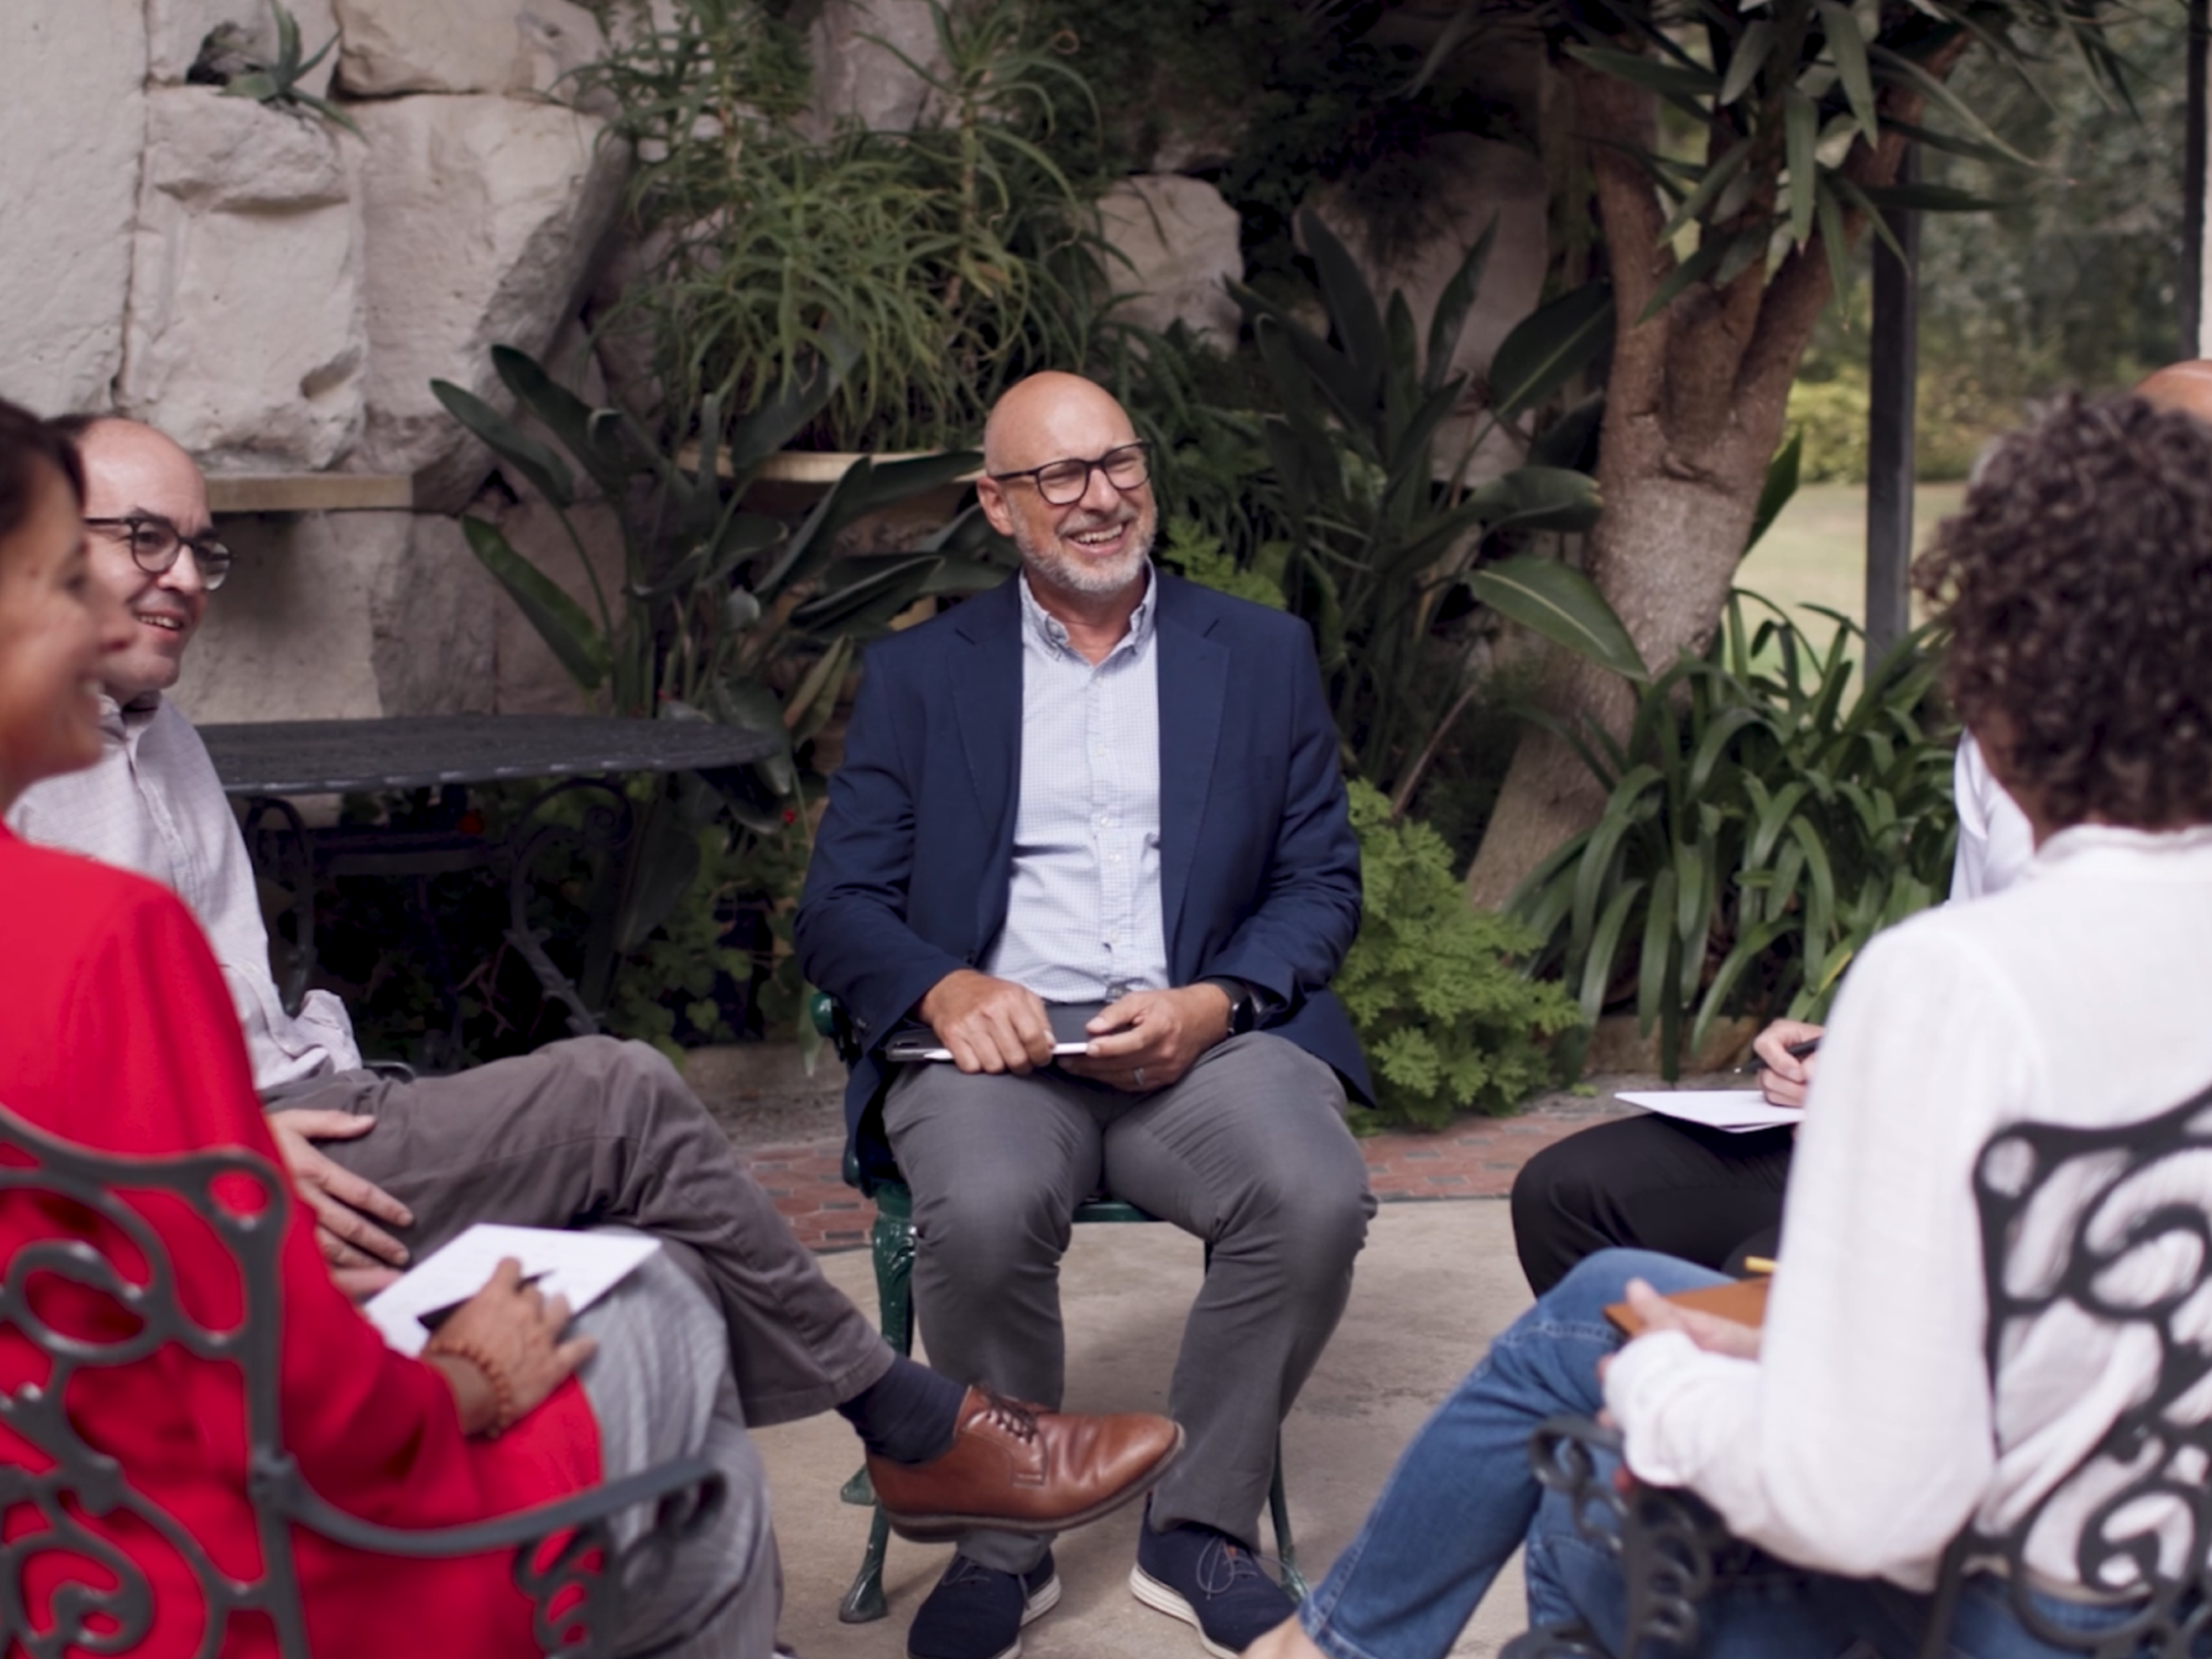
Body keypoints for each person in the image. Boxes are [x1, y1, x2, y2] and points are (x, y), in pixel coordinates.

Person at [6, 414, 1181, 1552]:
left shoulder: (166, 735)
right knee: (618, 1096)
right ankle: (915, 1429)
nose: (184, 577)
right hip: (224, 1164)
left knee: (666, 1270)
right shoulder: (37, 787)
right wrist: (221, 1150)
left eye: (199, 549)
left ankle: (719, 1613)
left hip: (298, 1110)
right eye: (139, 540)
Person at [1247, 389, 2212, 1659]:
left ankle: (1334, 1647)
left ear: (2003, 683)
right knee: (1609, 1292)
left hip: (2012, 1615)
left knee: (1599, 1409)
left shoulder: (1956, 983)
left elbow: (1871, 1505)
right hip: (2167, 1568)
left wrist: (1666, 1385)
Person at [0, 393, 777, 1657]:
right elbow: (293, 1396)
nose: (108, 615)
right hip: (239, 1584)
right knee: (667, 1313)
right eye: (61, 579)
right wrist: (472, 1375)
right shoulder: (96, 937)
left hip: (55, 1559)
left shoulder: (114, 853)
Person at [796, 371, 1378, 1659]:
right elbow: (837, 909)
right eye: (1060, 475)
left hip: (1199, 1038)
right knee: (984, 1206)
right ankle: (1006, 1542)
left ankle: (1199, 1526)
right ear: (998, 505)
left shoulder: (1260, 654)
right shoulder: (923, 674)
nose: (1101, 496)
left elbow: (1320, 885)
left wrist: (1215, 1002)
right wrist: (949, 987)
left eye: (1119, 463)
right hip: (997, 1054)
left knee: (1312, 1195)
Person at [1501, 346, 2212, 1296]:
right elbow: (1976, 927)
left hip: (2085, 1180)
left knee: (1762, 1275)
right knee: (1574, 1192)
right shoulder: (2027, 706)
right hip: (1946, 1118)